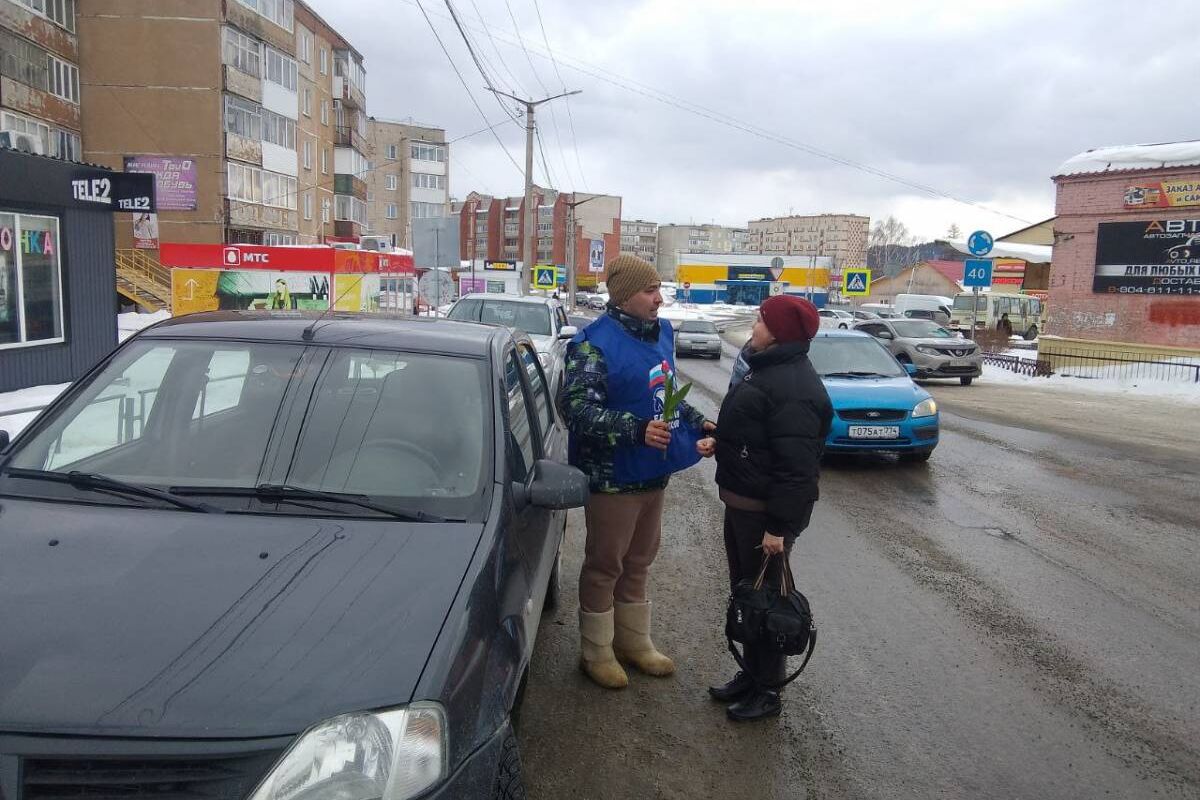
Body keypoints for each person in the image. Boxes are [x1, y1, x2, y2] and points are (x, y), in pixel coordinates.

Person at [559, 254, 714, 690]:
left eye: (659, 289)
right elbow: (575, 409)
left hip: (653, 473)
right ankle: (597, 651)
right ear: (625, 295)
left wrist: (698, 419)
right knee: (605, 565)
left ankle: (634, 643)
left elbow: (665, 396)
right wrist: (635, 429)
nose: (659, 299)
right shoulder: (593, 344)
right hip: (613, 477)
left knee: (640, 562)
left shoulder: (661, 334)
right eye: (650, 291)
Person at [697, 295, 832, 722]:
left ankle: (768, 691)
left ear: (778, 332)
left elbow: (797, 471)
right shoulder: (769, 370)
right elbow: (758, 440)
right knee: (748, 595)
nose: (754, 325)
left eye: (760, 319)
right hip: (744, 507)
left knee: (768, 601)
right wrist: (723, 442)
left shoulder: (794, 387)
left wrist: (777, 528)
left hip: (764, 517)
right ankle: (751, 675)